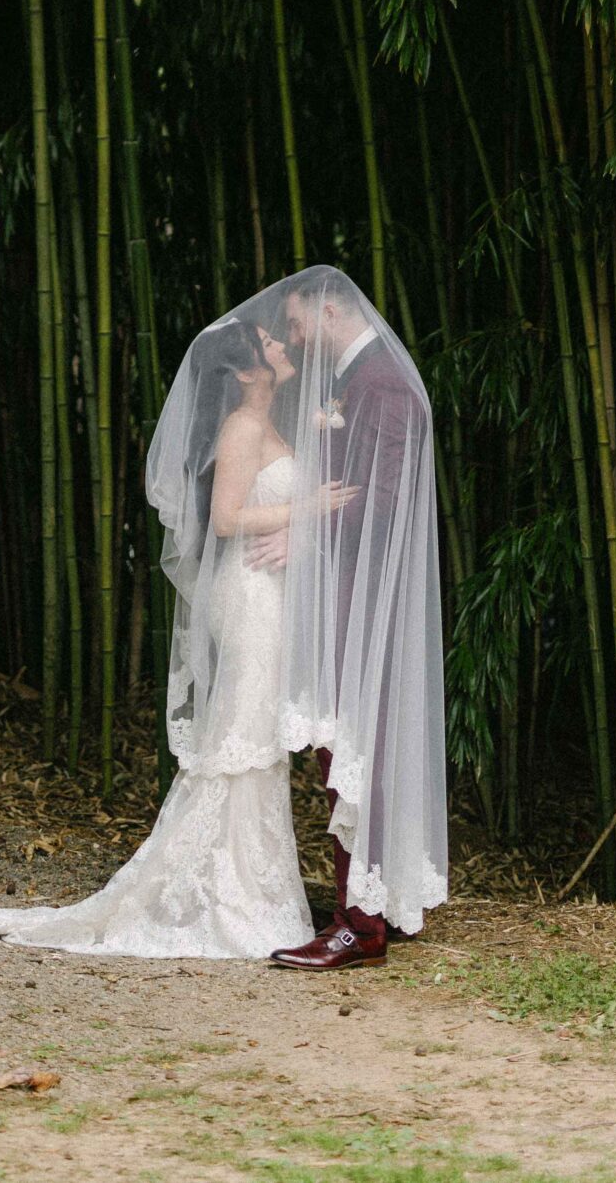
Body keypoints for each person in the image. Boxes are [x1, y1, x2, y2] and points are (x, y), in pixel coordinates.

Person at [0, 313, 350, 958]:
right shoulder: (242, 426)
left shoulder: (272, 421)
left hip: (270, 595)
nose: (281, 345)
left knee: (255, 740)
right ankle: (227, 896)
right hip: (251, 596)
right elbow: (228, 519)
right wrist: (307, 510)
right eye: (267, 343)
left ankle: (249, 888)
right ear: (241, 371)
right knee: (244, 740)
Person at [259, 267, 446, 969]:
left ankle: (358, 926)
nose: (294, 337)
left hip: (364, 595)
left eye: (298, 322)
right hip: (350, 585)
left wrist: (304, 535)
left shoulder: (383, 381)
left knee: (351, 743)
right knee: (350, 742)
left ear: (329, 307)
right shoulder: (358, 375)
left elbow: (387, 496)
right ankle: (369, 903)